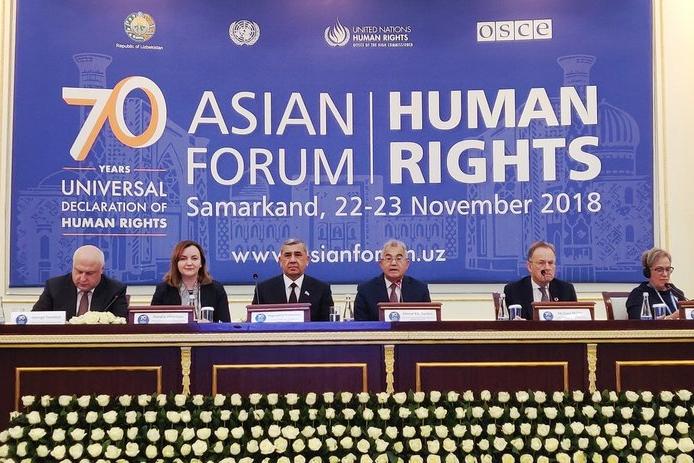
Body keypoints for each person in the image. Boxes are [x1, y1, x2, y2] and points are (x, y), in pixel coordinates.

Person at [33, 245, 128, 318]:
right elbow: (34, 319)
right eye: (79, 271)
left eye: (89, 273)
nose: (82, 278)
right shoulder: (54, 286)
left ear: (101, 269)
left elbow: (120, 324)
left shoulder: (115, 291)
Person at [252, 238, 333, 321]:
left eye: (298, 255)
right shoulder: (263, 290)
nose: (292, 260)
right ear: (280, 261)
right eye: (287, 255)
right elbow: (255, 321)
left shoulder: (322, 290)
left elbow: (328, 325)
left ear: (307, 260)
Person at [151, 240, 231, 322]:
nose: (189, 263)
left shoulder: (216, 289)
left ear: (201, 263)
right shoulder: (163, 289)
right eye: (183, 259)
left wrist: (208, 326)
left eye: (194, 258)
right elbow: (152, 323)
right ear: (176, 263)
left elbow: (225, 324)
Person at [354, 239, 431, 321]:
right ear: (381, 264)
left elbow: (428, 324)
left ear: (407, 264)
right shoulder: (365, 291)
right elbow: (361, 326)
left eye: (399, 258)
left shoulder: (420, 290)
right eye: (388, 258)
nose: (393, 263)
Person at [503, 241, 577, 320]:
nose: (547, 268)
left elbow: (575, 322)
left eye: (550, 263)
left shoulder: (566, 290)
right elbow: (507, 323)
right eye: (541, 263)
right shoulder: (513, 290)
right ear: (529, 266)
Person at [626, 247, 685, 320]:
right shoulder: (638, 295)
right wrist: (671, 318)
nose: (665, 274)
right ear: (648, 272)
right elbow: (639, 323)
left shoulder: (677, 293)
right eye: (659, 269)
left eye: (668, 269)